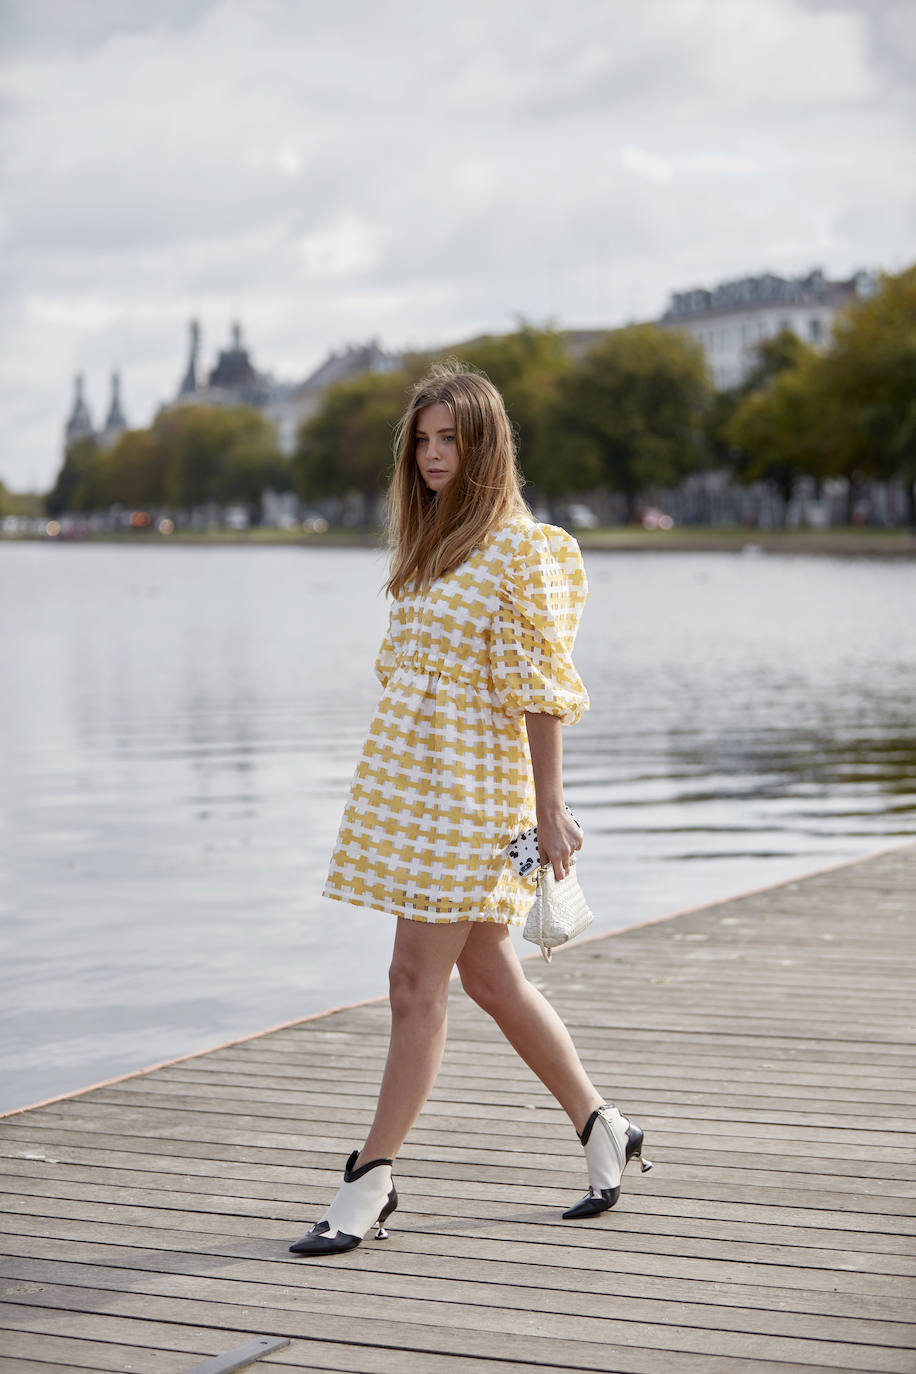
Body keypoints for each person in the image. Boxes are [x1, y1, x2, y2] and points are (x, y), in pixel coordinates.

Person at [289, 363, 651, 1257]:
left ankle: (369, 1180)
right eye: (422, 439)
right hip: (418, 788)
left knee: (414, 984)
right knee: (488, 976)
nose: (432, 454)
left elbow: (542, 691)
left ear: (485, 445)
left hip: (476, 798)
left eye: (450, 438)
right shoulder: (432, 543)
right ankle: (602, 1125)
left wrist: (551, 808)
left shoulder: (524, 550)